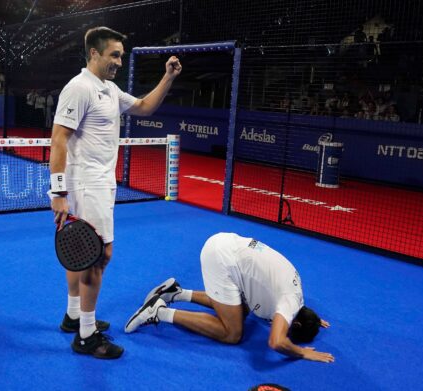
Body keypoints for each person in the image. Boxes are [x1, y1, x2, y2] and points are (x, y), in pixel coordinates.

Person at [49, 26, 182, 359]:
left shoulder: (108, 90)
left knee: (83, 252)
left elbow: (145, 107)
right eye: (114, 55)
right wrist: (58, 192)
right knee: (98, 257)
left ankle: (74, 316)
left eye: (121, 55)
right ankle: (87, 337)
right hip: (86, 185)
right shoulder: (78, 88)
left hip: (101, 184)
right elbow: (59, 139)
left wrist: (167, 78)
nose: (119, 61)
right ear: (94, 53)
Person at [124, 232, 334, 363]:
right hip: (222, 259)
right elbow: (276, 342)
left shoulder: (297, 298)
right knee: (232, 333)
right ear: (294, 323)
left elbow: (295, 312)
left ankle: (176, 293)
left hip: (228, 242)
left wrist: (313, 321)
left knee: (241, 310)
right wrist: (302, 352)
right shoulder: (289, 304)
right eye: (291, 328)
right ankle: (159, 312)